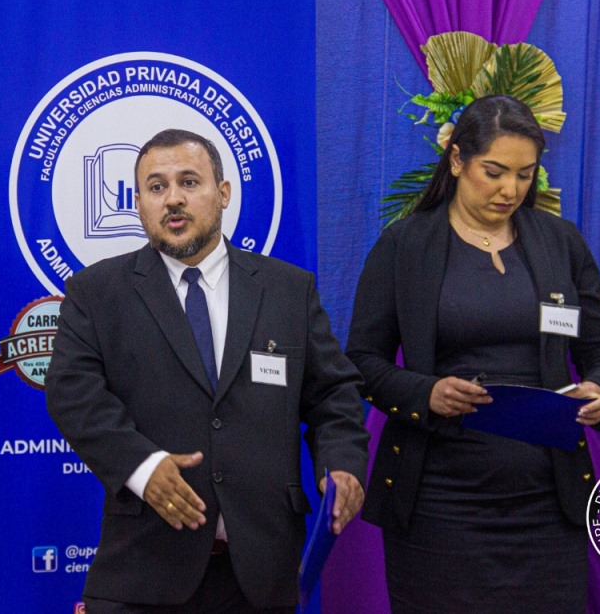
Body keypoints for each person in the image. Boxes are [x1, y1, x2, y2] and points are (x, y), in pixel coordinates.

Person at [45, 128, 369, 613]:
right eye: (156, 187)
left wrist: (340, 462)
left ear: (223, 193)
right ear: (138, 204)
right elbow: (72, 393)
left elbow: (333, 395)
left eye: (189, 182)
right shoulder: (97, 292)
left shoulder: (287, 290)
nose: (173, 199)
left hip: (261, 573)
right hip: (142, 567)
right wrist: (142, 466)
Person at [346, 95, 600, 613]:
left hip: (547, 504)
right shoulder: (405, 246)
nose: (510, 190)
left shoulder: (561, 242)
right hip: (438, 504)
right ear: (456, 160)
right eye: (494, 172)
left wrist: (599, 387)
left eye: (525, 175)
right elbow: (361, 362)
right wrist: (425, 391)